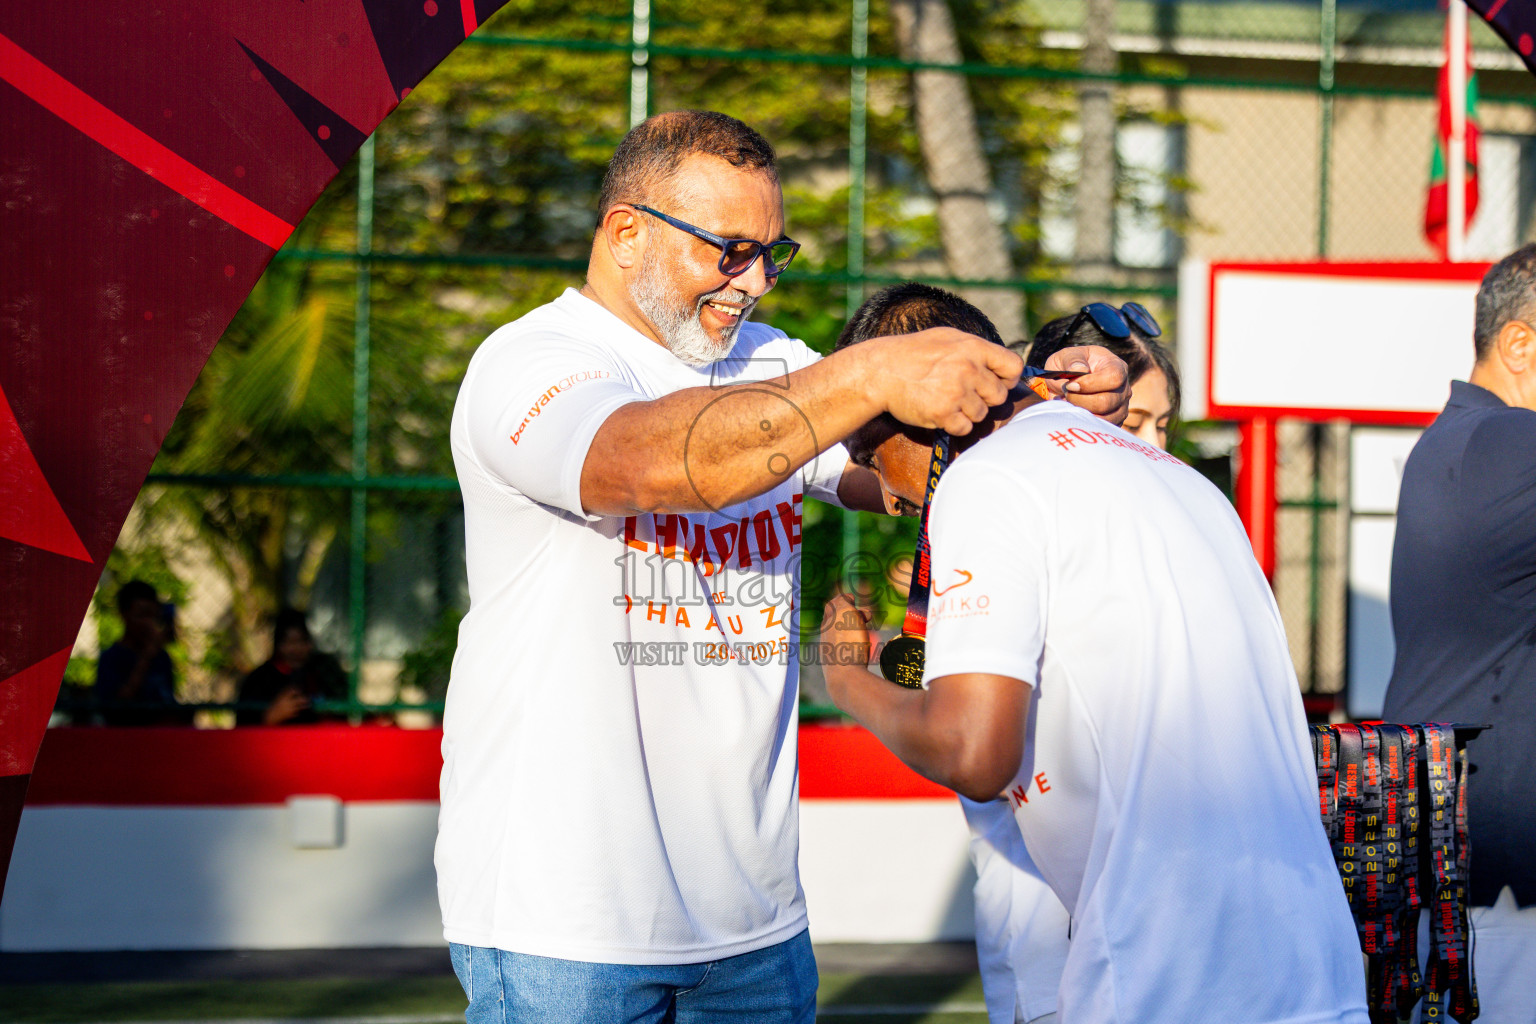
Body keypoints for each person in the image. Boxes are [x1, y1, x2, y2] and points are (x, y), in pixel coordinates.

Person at [438, 109, 1130, 1023]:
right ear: (626, 233)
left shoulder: (764, 361)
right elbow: (651, 463)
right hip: (565, 927)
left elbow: (902, 473)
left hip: (757, 927)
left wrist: (1038, 399)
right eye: (729, 250)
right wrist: (878, 371)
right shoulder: (531, 365)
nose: (756, 282)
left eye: (774, 252)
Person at [822, 284, 1368, 1023]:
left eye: (865, 446)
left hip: (1165, 975)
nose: (883, 486)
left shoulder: (987, 477)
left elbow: (972, 751)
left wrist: (848, 678)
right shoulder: (1184, 482)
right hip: (1313, 969)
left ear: (921, 407)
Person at [870, 292, 1178, 1024]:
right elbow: (963, 736)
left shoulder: (1158, 524)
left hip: (1143, 913)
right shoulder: (998, 500)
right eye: (1133, 422)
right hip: (1043, 905)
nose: (1153, 448)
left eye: (1164, 426)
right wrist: (868, 667)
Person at [1383, 243, 1536, 1023]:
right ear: (1519, 343)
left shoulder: (1457, 442)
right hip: (1503, 873)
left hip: (1464, 857)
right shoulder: (1513, 444)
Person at [236, 608, 348, 726]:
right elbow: (242, 729)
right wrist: (271, 717)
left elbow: (344, 708)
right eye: (290, 642)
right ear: (278, 644)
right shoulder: (260, 679)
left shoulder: (325, 669)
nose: (297, 649)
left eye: (302, 640)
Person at [95, 579, 183, 727]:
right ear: (124, 614)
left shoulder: (161, 657)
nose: (148, 623)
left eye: (152, 616)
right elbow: (115, 709)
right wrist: (145, 658)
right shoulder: (112, 658)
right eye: (142, 615)